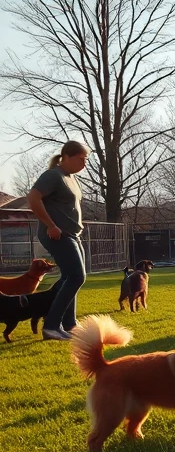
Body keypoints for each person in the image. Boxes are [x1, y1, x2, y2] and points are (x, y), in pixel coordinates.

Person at [27, 140, 90, 341]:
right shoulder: (53, 175)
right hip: (57, 234)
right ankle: (52, 326)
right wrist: (50, 225)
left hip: (72, 235)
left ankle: (70, 324)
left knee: (69, 278)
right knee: (76, 277)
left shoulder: (71, 178)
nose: (84, 164)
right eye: (81, 159)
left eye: (86, 160)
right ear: (67, 157)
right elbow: (33, 198)